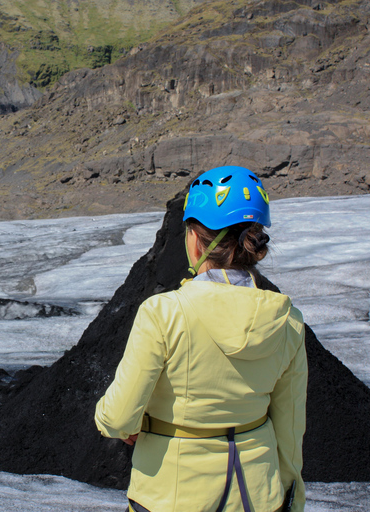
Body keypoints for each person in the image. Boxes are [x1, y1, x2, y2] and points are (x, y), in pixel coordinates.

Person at [94, 166, 307, 512]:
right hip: (257, 496)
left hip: (172, 496)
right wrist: (290, 500)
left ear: (194, 239)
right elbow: (290, 426)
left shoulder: (163, 313)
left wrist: (122, 422)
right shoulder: (288, 321)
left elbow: (118, 418)